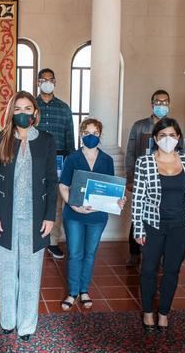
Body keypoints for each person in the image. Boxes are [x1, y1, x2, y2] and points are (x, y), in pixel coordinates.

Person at [0, 91, 57, 341]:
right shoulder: (1, 138)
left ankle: (26, 325)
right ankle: (8, 320)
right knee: (6, 272)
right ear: (11, 112)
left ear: (35, 113)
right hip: (5, 217)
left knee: (30, 273)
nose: (23, 113)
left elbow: (52, 181)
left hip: (36, 218)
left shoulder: (47, 140)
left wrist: (50, 216)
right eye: (18, 109)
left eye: (28, 108)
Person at [131, 118, 185, 332]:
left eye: (172, 135)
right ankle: (148, 312)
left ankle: (164, 312)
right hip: (152, 225)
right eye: (162, 136)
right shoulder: (145, 162)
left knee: (172, 270)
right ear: (155, 139)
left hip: (180, 226)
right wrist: (138, 228)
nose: (167, 139)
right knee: (148, 270)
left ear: (178, 137)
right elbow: (138, 198)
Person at [59, 118, 125, 311]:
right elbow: (63, 186)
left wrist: (117, 201)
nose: (91, 136)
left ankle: (84, 290)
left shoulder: (107, 160)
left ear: (100, 136)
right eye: (87, 133)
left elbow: (111, 190)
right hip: (74, 215)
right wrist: (74, 205)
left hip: (97, 216)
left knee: (90, 254)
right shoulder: (72, 158)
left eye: (95, 133)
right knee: (75, 253)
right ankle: (72, 292)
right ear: (81, 134)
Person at [124, 89, 183, 267]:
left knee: (162, 217)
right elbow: (130, 154)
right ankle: (134, 253)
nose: (161, 105)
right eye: (158, 102)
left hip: (168, 177)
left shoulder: (175, 128)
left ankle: (161, 253)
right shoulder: (139, 126)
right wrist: (130, 178)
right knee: (139, 215)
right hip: (143, 179)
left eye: (165, 102)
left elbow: (182, 152)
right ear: (152, 104)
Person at [35, 68, 75, 260]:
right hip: (35, 159)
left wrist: (71, 166)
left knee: (56, 203)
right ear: (38, 82)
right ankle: (34, 239)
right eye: (44, 80)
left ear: (55, 82)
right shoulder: (31, 106)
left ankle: (52, 242)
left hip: (59, 161)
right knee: (34, 199)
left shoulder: (64, 108)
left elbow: (70, 140)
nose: (47, 82)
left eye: (51, 79)